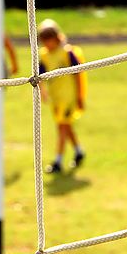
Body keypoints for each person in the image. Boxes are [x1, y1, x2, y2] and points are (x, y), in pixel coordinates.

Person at [38, 19, 87, 174]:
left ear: (56, 38)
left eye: (49, 41)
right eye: (44, 42)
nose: (47, 45)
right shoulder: (44, 55)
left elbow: (79, 74)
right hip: (56, 98)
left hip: (68, 96)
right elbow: (40, 77)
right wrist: (43, 93)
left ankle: (58, 161)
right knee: (65, 125)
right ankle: (79, 151)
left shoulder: (68, 52)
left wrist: (80, 96)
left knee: (62, 127)